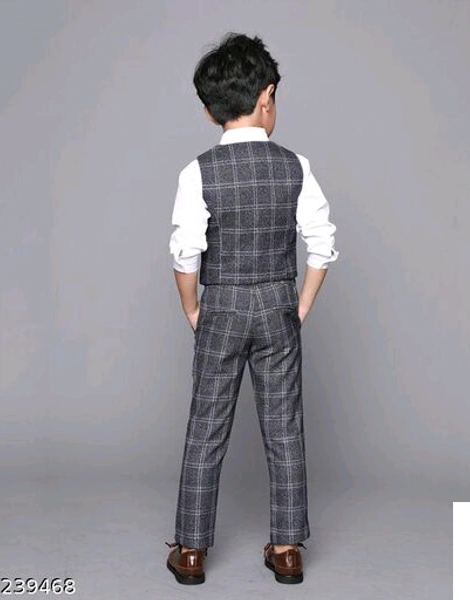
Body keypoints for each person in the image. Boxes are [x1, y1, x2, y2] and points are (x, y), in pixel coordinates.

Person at [165, 32, 339, 585]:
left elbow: (185, 252)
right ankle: (287, 549)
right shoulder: (296, 166)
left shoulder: (197, 172)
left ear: (209, 109)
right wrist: (299, 306)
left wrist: (194, 311)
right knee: (284, 427)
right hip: (278, 304)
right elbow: (322, 243)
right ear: (267, 97)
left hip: (221, 305)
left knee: (206, 427)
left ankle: (191, 550)